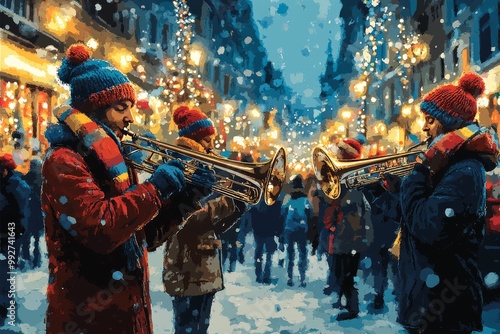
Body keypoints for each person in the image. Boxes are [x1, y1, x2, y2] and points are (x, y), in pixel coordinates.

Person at [40, 43, 212, 333]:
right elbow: (101, 228)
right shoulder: (63, 160)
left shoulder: (117, 163)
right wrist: (155, 189)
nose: (130, 118)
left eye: (130, 108)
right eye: (121, 108)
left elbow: (139, 236)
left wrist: (185, 200)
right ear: (96, 109)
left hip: (127, 314)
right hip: (89, 320)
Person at [396, 73, 499, 333]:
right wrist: (382, 192)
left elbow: (428, 228)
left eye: (430, 120)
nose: (424, 128)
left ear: (446, 123)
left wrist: (415, 176)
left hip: (445, 307)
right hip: (428, 299)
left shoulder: (465, 170)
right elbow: (410, 218)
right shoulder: (446, 166)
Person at [162, 106, 246, 334]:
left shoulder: (204, 164)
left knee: (200, 327)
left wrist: (238, 205)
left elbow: (216, 227)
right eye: (207, 141)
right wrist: (228, 203)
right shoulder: (183, 164)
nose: (212, 147)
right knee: (189, 328)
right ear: (193, 139)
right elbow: (186, 219)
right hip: (187, 266)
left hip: (204, 266)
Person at [329, 138, 373, 321]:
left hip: (350, 236)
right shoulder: (347, 181)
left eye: (340, 153)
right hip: (345, 234)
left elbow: (355, 213)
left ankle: (352, 308)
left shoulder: (353, 183)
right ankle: (346, 302)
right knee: (342, 272)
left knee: (347, 274)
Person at [0, 153, 30, 326]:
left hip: (10, 235)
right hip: (8, 234)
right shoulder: (13, 184)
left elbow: (22, 213)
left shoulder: (16, 186)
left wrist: (18, 234)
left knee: (6, 272)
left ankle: (6, 307)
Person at [281, 174, 312, 287]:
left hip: (289, 229)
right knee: (302, 253)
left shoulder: (287, 199)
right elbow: (310, 214)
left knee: (290, 254)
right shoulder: (305, 200)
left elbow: (282, 213)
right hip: (302, 229)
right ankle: (302, 277)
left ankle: (290, 277)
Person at [250, 193, 284, 284]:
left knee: (259, 254)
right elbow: (279, 219)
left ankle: (259, 275)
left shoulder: (257, 202)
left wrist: (254, 228)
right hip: (270, 232)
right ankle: (266, 276)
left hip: (259, 232)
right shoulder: (276, 204)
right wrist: (278, 233)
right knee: (269, 255)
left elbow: (253, 215)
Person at [20, 156, 44, 269]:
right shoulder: (43, 179)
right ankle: (36, 258)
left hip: (28, 210)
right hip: (38, 210)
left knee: (27, 235)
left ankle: (27, 256)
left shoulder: (25, 178)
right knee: (37, 236)